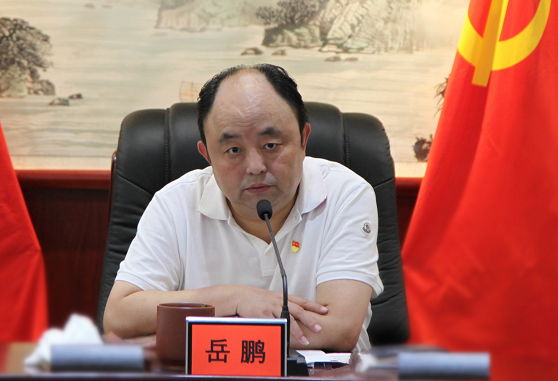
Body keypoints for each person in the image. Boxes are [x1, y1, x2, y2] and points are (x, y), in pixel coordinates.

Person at [103, 64, 382, 352]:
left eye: (271, 145)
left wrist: (186, 334)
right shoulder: (175, 204)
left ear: (303, 140)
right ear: (207, 155)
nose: (255, 167)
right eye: (233, 150)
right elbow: (119, 317)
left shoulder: (344, 194)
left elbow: (337, 331)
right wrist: (234, 298)